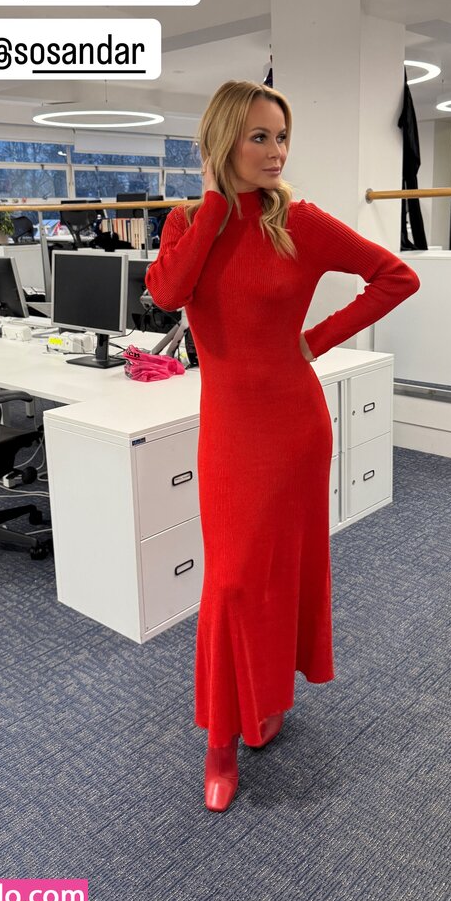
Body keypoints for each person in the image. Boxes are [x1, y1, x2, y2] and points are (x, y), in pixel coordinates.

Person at [145, 80, 420, 813]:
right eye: (259, 137)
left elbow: (396, 276)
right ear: (222, 141)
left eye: (282, 137)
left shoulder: (299, 221)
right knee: (232, 582)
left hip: (295, 428)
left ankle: (265, 700)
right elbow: (168, 295)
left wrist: (316, 339)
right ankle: (220, 743)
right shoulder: (186, 224)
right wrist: (213, 205)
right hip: (230, 433)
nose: (277, 152)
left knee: (276, 576)